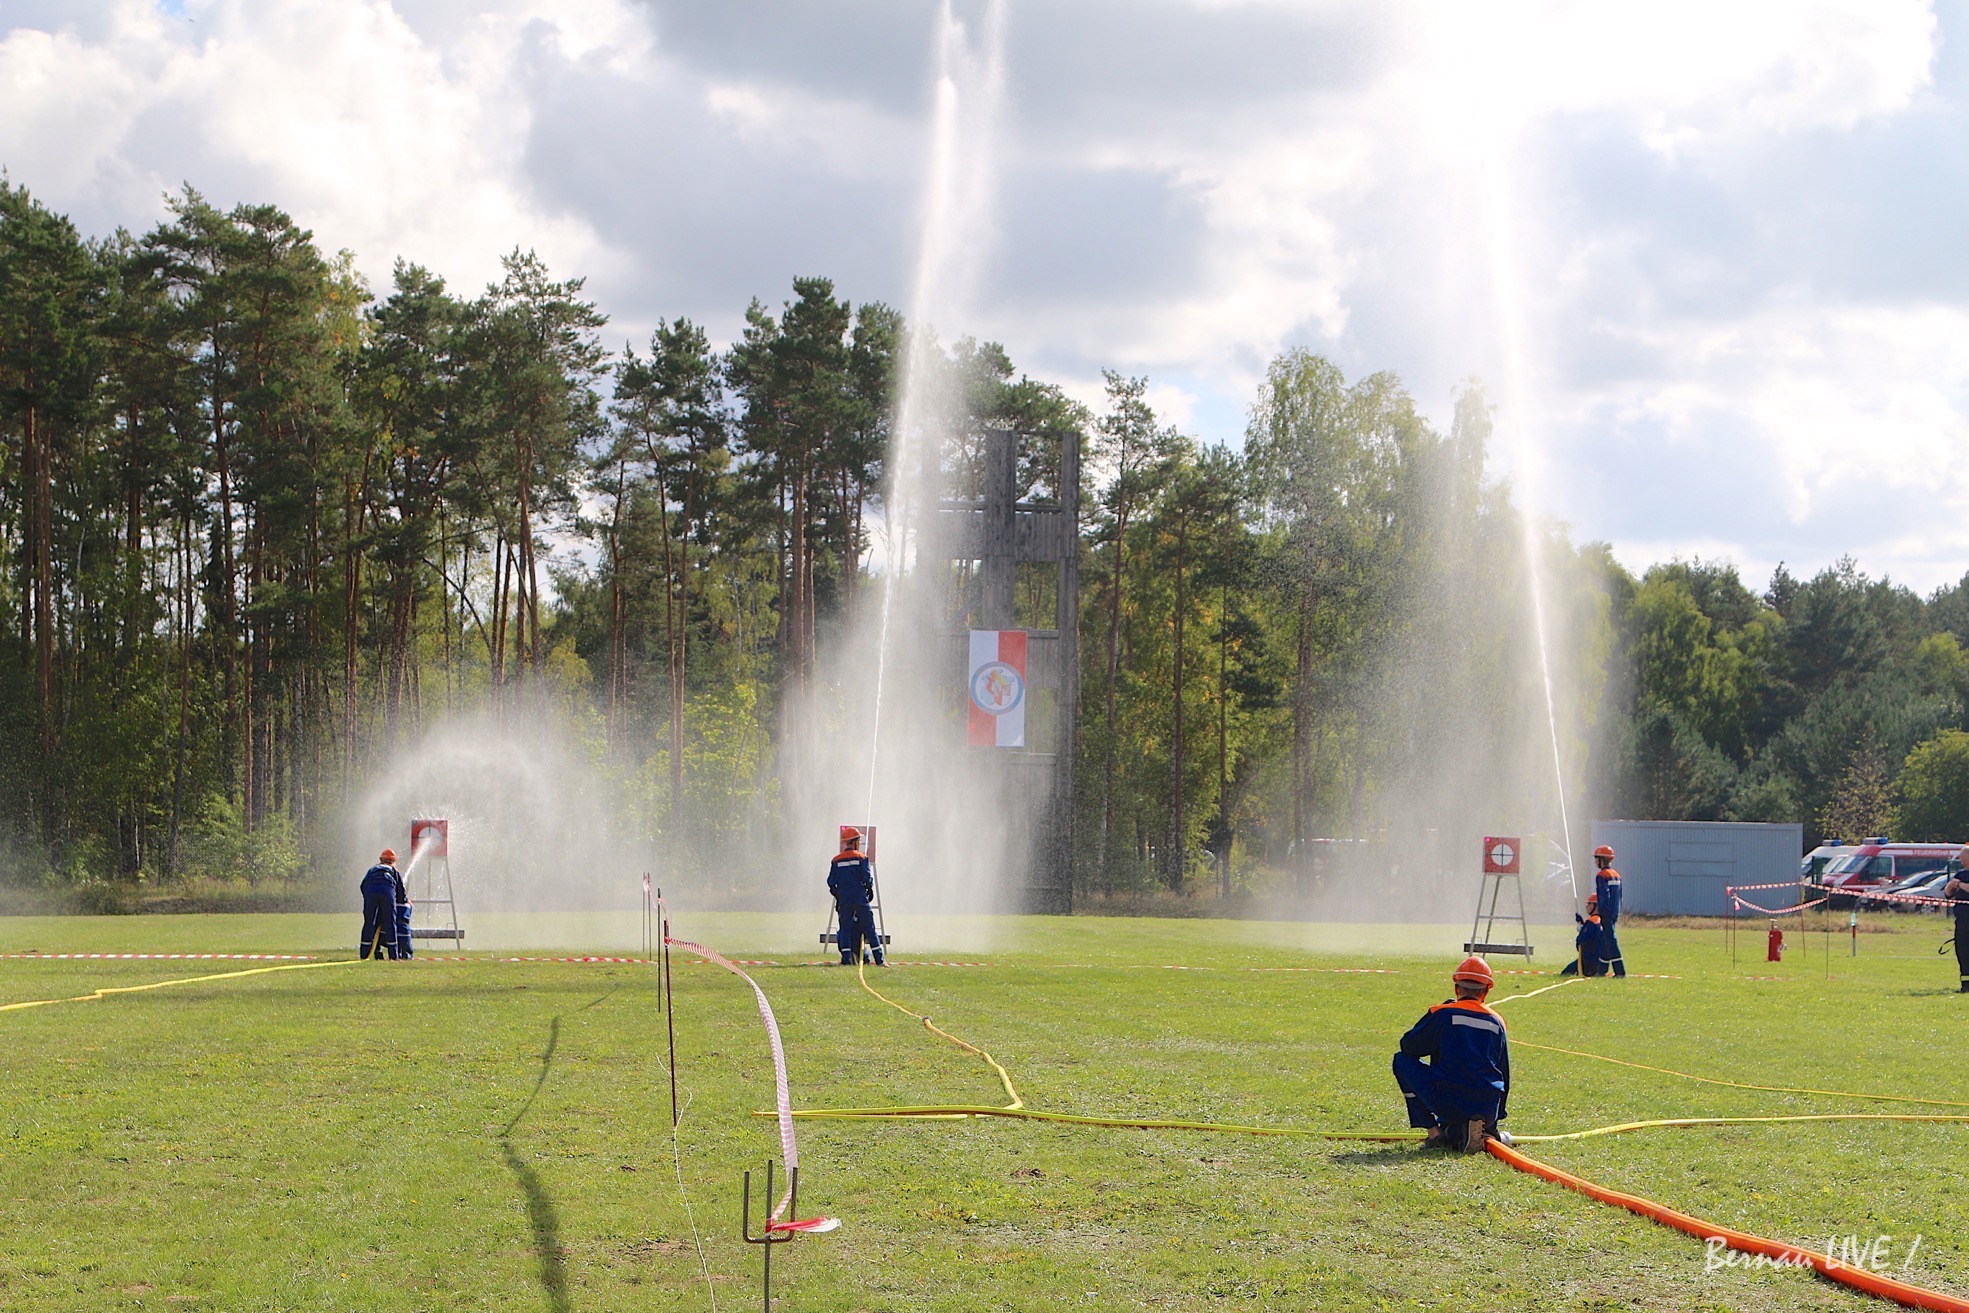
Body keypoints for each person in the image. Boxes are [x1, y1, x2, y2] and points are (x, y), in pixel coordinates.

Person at [1393, 955, 1511, 1153]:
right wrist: (1495, 1118)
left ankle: (1435, 1133)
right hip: (1488, 1106)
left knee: (1401, 1061)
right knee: (1460, 1120)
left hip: (1449, 1101)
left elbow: (1409, 1047)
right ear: (1486, 991)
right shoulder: (1497, 1022)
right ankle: (1469, 1130)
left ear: (1457, 988)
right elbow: (1504, 1072)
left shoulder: (1443, 1014)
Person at [826, 827, 884, 967]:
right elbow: (866, 878)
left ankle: (846, 959)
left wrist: (839, 895)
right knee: (869, 929)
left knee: (845, 929)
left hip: (845, 901)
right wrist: (869, 890)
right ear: (856, 841)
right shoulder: (862, 858)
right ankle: (879, 960)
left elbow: (831, 882)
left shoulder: (836, 860)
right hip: (860, 899)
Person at [359, 848, 406, 960]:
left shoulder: (372, 870)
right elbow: (401, 894)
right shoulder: (394, 871)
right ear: (393, 861)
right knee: (390, 923)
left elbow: (363, 886)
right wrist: (404, 901)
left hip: (370, 892)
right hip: (387, 892)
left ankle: (364, 954)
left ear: (381, 860)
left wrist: (370, 900)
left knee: (369, 922)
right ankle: (393, 956)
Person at [1592, 844, 1627, 977]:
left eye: (1596, 858)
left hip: (1606, 913)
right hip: (1615, 911)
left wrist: (1602, 911)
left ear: (1602, 859)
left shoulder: (1601, 875)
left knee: (1611, 941)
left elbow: (1603, 895)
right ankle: (1602, 970)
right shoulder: (1616, 875)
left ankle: (1620, 971)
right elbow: (1620, 896)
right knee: (1606, 940)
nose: (1595, 862)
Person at [1560, 894, 1606, 976]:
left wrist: (1581, 930)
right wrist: (1582, 924)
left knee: (1566, 973)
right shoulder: (1602, 921)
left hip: (1587, 961)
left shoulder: (1592, 921)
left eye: (1589, 904)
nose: (1586, 906)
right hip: (1599, 961)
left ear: (1596, 905)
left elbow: (1582, 940)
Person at [1946, 850, 1969, 993]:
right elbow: (1948, 895)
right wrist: (1951, 886)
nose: (1962, 862)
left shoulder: (1962, 880)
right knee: (1962, 952)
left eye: (1964, 859)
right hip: (1962, 921)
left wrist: (1961, 885)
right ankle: (1966, 985)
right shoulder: (1960, 875)